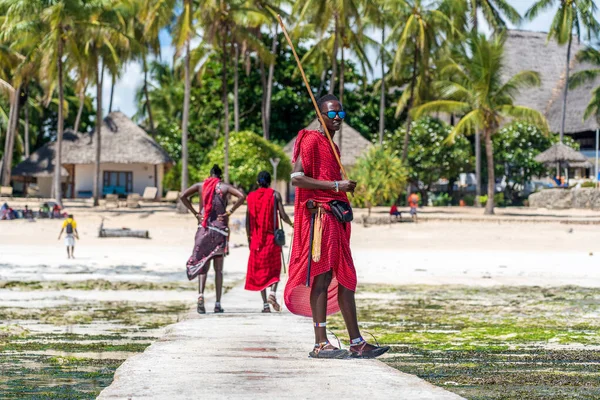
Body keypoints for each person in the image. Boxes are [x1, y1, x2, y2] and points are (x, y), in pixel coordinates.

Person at [284, 94, 390, 359]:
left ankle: (356, 341)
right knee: (322, 277)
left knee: (347, 278)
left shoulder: (333, 146)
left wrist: (342, 188)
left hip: (337, 218)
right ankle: (320, 343)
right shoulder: (309, 139)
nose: (338, 119)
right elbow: (297, 178)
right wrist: (335, 186)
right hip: (320, 218)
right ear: (320, 115)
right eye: (332, 114)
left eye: (341, 115)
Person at [180, 165, 246, 314]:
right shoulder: (224, 187)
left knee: (203, 264)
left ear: (209, 175)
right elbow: (242, 196)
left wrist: (196, 213)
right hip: (219, 231)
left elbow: (183, 196)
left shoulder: (200, 186)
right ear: (220, 176)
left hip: (203, 229)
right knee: (218, 270)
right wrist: (230, 211)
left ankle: (200, 296)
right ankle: (217, 304)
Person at [245, 171, 293, 313]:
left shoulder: (251, 197)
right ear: (269, 181)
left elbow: (248, 221)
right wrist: (292, 225)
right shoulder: (275, 195)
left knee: (260, 272)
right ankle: (272, 293)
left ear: (258, 182)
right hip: (272, 239)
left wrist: (249, 238)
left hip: (256, 240)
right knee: (275, 268)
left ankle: (265, 305)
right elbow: (283, 215)